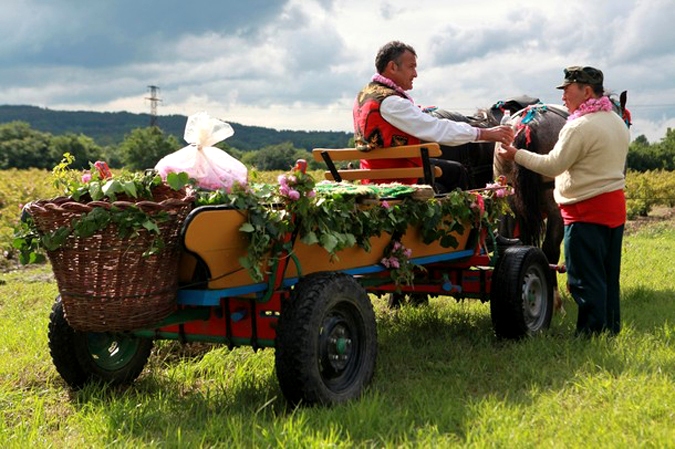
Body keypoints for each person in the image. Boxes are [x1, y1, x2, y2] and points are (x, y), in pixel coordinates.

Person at [497, 66, 630, 336]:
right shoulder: (617, 121)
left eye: (568, 91)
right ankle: (609, 330)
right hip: (614, 209)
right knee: (606, 275)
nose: (563, 98)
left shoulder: (579, 127)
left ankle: (590, 335)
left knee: (583, 278)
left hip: (585, 212)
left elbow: (553, 165)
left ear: (587, 91)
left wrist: (517, 155)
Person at [353, 41, 514, 192]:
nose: (415, 74)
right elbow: (437, 129)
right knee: (458, 172)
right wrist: (484, 133)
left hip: (373, 173)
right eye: (411, 67)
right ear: (392, 67)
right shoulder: (391, 102)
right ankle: (468, 219)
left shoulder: (365, 95)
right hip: (396, 176)